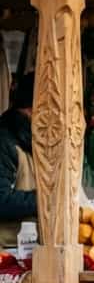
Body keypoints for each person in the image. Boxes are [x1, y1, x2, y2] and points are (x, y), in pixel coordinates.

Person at [0, 73, 37, 246]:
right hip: (6, 247)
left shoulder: (33, 138)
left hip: (29, 245)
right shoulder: (5, 140)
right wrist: (44, 200)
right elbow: (2, 199)